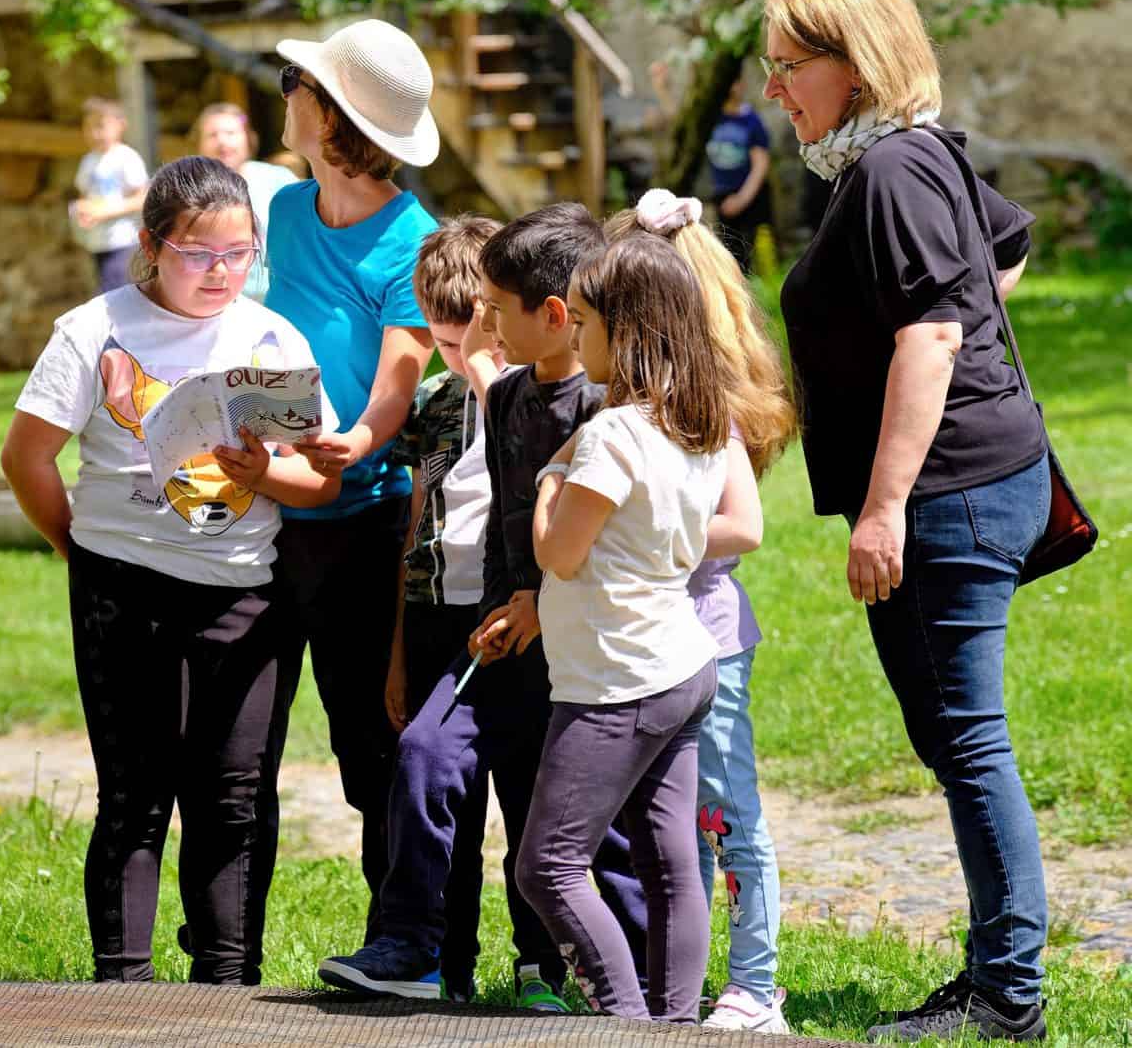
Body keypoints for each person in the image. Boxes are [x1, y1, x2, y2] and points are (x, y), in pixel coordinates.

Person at [762, 0, 1050, 1043]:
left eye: (791, 68)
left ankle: (1008, 993)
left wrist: (885, 506)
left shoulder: (891, 169)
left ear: (855, 63)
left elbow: (933, 331)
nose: (776, 90)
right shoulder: (889, 163)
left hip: (951, 495)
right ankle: (997, 965)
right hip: (974, 479)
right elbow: (1001, 253)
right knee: (953, 737)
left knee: (970, 740)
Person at [1, 156, 340, 984]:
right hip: (123, 585)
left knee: (230, 796)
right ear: (151, 247)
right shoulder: (95, 327)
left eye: (238, 253)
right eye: (199, 255)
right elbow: (25, 457)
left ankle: (226, 984)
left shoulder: (270, 338)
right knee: (136, 794)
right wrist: (75, 545)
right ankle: (122, 987)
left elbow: (319, 476)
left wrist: (263, 473)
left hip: (243, 593)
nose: (221, 272)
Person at [317, 203, 647, 1011]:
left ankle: (553, 968)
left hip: (550, 639)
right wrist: (440, 634)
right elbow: (464, 528)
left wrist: (536, 601)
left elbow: (573, 530)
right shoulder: (470, 405)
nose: (468, 339)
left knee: (538, 804)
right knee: (427, 762)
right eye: (453, 325)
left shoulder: (582, 404)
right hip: (467, 630)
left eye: (485, 317)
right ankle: (420, 949)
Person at [517, 233, 733, 1024]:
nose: (574, 336)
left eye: (583, 321)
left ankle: (627, 1021)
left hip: (617, 680)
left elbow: (559, 554)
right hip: (679, 664)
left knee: (547, 864)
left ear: (627, 327)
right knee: (669, 861)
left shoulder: (611, 436)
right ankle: (674, 1024)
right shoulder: (694, 422)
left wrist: (549, 477)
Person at [262, 19, 440, 933]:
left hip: (364, 519)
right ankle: (226, 958)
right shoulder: (285, 211)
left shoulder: (413, 236)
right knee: (243, 746)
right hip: (261, 509)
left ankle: (400, 942)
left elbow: (403, 366)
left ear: (331, 118)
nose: (282, 89)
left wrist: (359, 442)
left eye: (295, 79)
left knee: (370, 742)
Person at [606, 191, 797, 1033]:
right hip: (632, 638)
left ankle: (755, 983)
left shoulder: (702, 408)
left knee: (723, 810)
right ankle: (660, 970)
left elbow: (730, 532)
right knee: (653, 817)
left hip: (701, 640)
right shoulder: (627, 396)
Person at [385, 214, 505, 1001]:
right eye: (443, 336)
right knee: (438, 789)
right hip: (432, 613)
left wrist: (495, 382)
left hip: (504, 619)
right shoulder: (431, 402)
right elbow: (417, 513)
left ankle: (541, 963)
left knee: (521, 801)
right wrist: (398, 647)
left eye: (470, 333)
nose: (457, 352)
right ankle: (443, 964)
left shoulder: (531, 394)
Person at [193, 102, 299, 302]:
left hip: (279, 299)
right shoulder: (190, 190)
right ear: (199, 144)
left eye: (231, 133)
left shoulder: (279, 179)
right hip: (217, 303)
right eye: (213, 135)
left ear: (248, 138)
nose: (222, 141)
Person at [69, 97, 148, 294]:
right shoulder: (89, 160)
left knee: (114, 293)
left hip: (123, 240)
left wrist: (104, 213)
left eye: (101, 126)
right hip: (97, 241)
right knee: (104, 290)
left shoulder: (126, 158)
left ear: (120, 125)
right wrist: (82, 212)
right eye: (88, 127)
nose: (95, 133)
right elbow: (85, 195)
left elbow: (142, 199)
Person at [706, 71, 773, 274]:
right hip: (722, 196)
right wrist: (662, 87)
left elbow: (760, 164)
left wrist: (741, 200)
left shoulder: (751, 120)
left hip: (748, 196)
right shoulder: (712, 119)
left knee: (752, 257)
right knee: (728, 258)